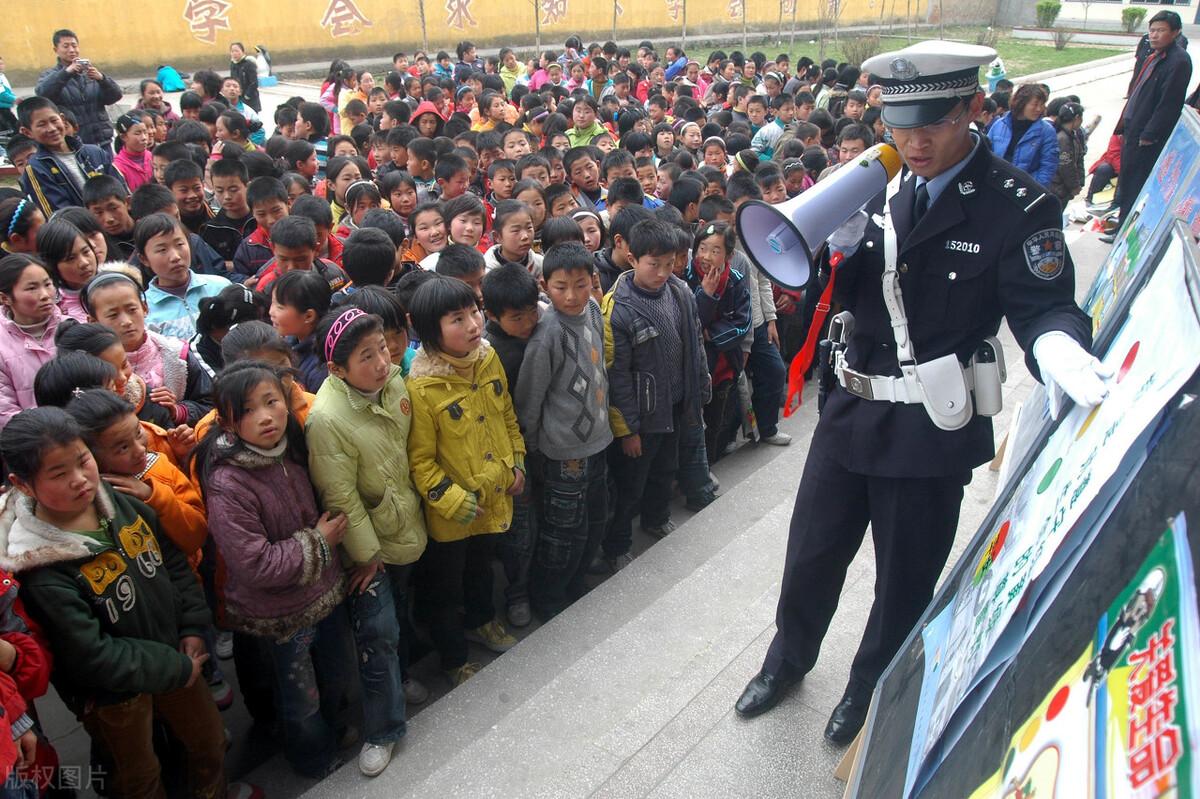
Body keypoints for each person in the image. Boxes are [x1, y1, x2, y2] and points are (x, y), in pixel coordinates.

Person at [733, 42, 1105, 749]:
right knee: (810, 554)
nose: (915, 143)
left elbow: (1045, 302)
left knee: (904, 578)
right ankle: (786, 660)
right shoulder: (875, 183)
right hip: (851, 409)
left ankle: (869, 685)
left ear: (973, 108)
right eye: (901, 127)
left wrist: (1057, 344)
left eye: (934, 124)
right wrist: (835, 248)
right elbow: (838, 295)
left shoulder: (1018, 205)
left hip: (931, 425)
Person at [0, 407, 241, 799]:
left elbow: (170, 558)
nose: (80, 479)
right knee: (138, 776)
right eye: (59, 474)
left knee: (209, 742)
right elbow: (91, 653)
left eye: (83, 461)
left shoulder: (115, 498)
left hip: (178, 656)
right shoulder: (39, 568)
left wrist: (192, 627)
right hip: (116, 697)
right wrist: (175, 667)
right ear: (23, 484)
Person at [193, 363, 351, 780]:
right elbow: (255, 564)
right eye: (247, 410)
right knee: (301, 697)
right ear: (227, 421)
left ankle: (334, 732)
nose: (265, 417)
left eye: (271, 402)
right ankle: (312, 759)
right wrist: (319, 542)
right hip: (281, 616)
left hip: (326, 592)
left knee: (336, 673)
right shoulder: (228, 482)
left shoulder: (293, 445)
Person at [306, 308, 428, 777]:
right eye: (366, 357)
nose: (382, 362)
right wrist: (367, 554)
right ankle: (383, 730)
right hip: (369, 547)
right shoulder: (327, 419)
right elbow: (339, 497)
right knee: (376, 635)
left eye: (382, 348)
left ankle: (405, 676)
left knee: (400, 613)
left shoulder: (394, 382)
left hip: (405, 523)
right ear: (336, 369)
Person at [406, 277, 524, 686]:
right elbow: (420, 462)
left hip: (493, 495)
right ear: (431, 332)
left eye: (474, 311)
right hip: (453, 514)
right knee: (445, 589)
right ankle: (453, 658)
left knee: (481, 570)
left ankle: (481, 621)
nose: (474, 324)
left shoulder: (487, 358)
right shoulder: (422, 388)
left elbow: (506, 415)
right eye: (458, 319)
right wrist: (454, 500)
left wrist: (517, 462)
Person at [599, 219, 709, 571]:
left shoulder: (680, 292)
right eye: (653, 264)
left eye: (669, 263)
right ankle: (616, 545)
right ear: (632, 258)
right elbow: (616, 376)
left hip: (675, 404)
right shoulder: (619, 308)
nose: (662, 272)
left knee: (665, 468)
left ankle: (656, 518)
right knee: (631, 484)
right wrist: (628, 430)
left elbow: (695, 343)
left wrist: (699, 387)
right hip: (643, 416)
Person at [514, 243, 612, 619]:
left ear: (592, 281)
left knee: (593, 520)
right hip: (562, 454)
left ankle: (575, 583)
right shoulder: (547, 335)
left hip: (598, 441)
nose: (571, 295)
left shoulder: (593, 310)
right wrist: (533, 450)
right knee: (562, 532)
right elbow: (530, 400)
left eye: (580, 284)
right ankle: (548, 597)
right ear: (544, 285)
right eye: (560, 287)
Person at [1114, 10, 1193, 236]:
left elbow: (1169, 103)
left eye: (1161, 30)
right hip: (1133, 129)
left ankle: (1125, 232)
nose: (1154, 35)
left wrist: (1149, 134)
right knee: (1126, 180)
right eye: (1152, 30)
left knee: (1136, 185)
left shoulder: (1178, 61)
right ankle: (1119, 226)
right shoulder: (1154, 55)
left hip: (1146, 137)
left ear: (1175, 32)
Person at [34, 29, 123, 147]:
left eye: (74, 46)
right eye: (66, 46)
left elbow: (116, 96)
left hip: (102, 140)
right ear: (56, 50)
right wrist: (66, 73)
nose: (71, 50)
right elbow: (43, 94)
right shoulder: (50, 76)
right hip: (74, 142)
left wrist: (102, 79)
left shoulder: (90, 73)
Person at [985, 83, 1058, 188]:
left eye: (1042, 104)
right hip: (996, 185)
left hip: (1025, 188)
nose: (1039, 109)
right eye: (1035, 104)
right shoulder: (1000, 125)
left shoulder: (1046, 131)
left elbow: (1048, 167)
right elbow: (987, 153)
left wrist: (1034, 189)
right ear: (1021, 103)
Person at [229, 42, 261, 113]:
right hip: (238, 99)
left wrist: (247, 96)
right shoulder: (233, 64)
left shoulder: (249, 64)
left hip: (250, 100)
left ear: (243, 52)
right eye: (232, 51)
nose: (234, 53)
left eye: (236, 51)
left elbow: (254, 83)